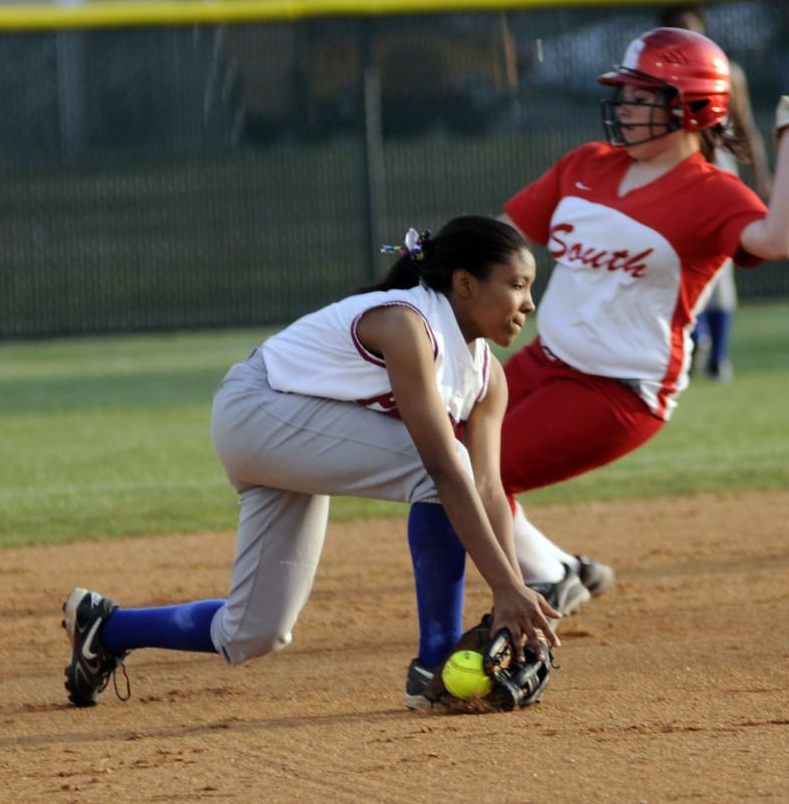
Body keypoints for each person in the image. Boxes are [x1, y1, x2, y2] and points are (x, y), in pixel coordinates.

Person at [60, 215, 561, 710]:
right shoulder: (409, 325)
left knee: (255, 631)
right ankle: (434, 662)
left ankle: (105, 628)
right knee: (443, 462)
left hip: (295, 437)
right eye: (517, 284)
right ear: (465, 284)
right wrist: (504, 586)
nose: (529, 302)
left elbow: (489, 489)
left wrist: (509, 599)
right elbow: (442, 468)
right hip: (255, 410)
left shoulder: (488, 377)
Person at [484, 26, 789, 618]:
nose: (627, 108)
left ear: (694, 107)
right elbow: (504, 232)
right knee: (450, 459)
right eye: (628, 94)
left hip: (619, 388)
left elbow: (782, 239)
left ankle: (550, 575)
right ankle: (560, 571)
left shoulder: (710, 192)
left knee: (472, 472)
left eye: (646, 97)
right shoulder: (587, 164)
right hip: (546, 360)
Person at [660, 4, 773, 383]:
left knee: (721, 270)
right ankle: (698, 338)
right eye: (679, 30)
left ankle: (716, 354)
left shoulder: (728, 72)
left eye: (693, 29)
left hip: (718, 177)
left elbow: (746, 128)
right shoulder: (660, 77)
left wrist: (763, 174)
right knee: (678, 263)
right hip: (677, 177)